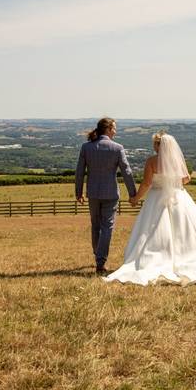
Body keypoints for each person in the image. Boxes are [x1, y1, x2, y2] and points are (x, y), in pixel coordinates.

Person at [104, 132, 196, 286]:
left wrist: (135, 198)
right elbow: (186, 179)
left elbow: (146, 184)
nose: (153, 146)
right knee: (188, 230)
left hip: (156, 198)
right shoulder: (177, 160)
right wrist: (172, 182)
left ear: (158, 145)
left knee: (151, 231)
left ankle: (154, 259)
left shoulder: (152, 161)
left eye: (154, 143)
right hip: (178, 198)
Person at [75, 117, 137, 275]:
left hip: (93, 193)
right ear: (108, 129)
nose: (115, 131)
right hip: (110, 193)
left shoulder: (86, 147)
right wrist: (133, 193)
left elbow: (80, 172)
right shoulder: (117, 148)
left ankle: (98, 256)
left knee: (95, 225)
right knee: (107, 227)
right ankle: (100, 262)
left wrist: (78, 192)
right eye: (114, 128)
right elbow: (127, 172)